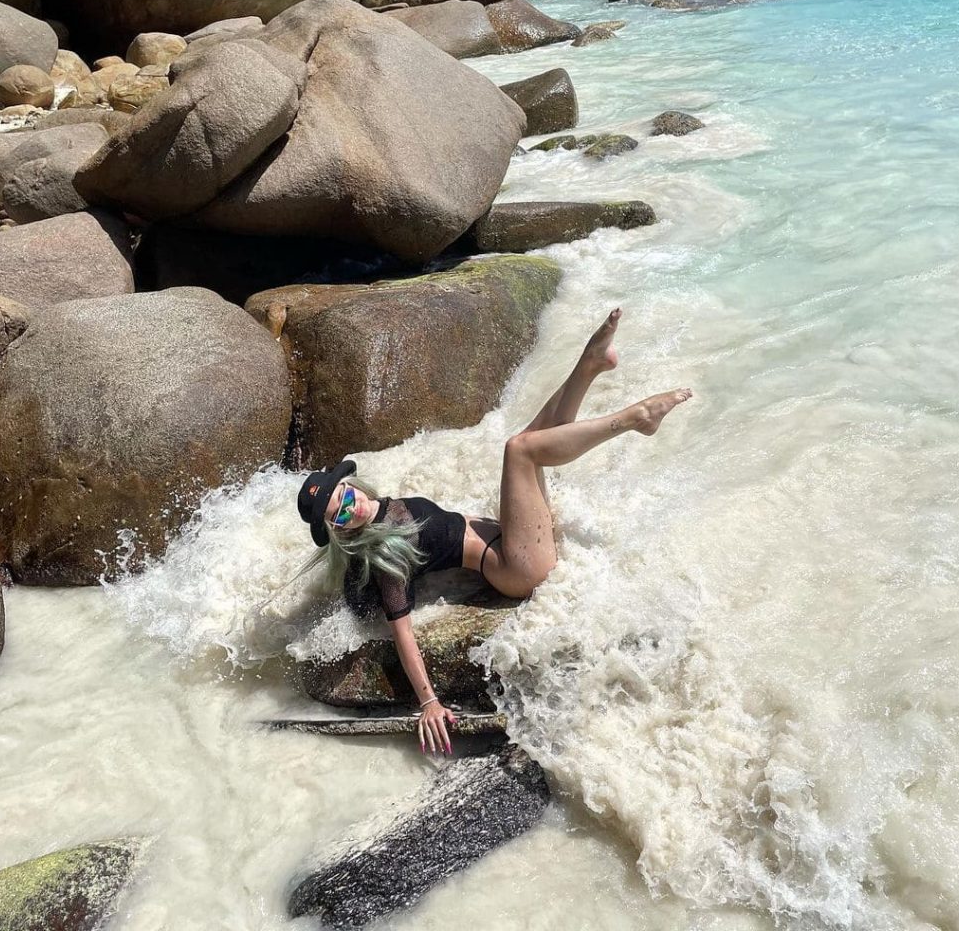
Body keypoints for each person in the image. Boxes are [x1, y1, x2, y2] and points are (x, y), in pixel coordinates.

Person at [296, 308, 692, 756]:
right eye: (341, 515)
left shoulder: (384, 510)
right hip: (518, 566)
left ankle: (590, 365)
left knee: (530, 439)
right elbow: (402, 631)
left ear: (351, 484)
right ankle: (634, 419)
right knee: (520, 450)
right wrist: (429, 702)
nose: (353, 506)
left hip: (515, 539)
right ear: (339, 532)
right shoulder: (385, 559)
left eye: (346, 494)